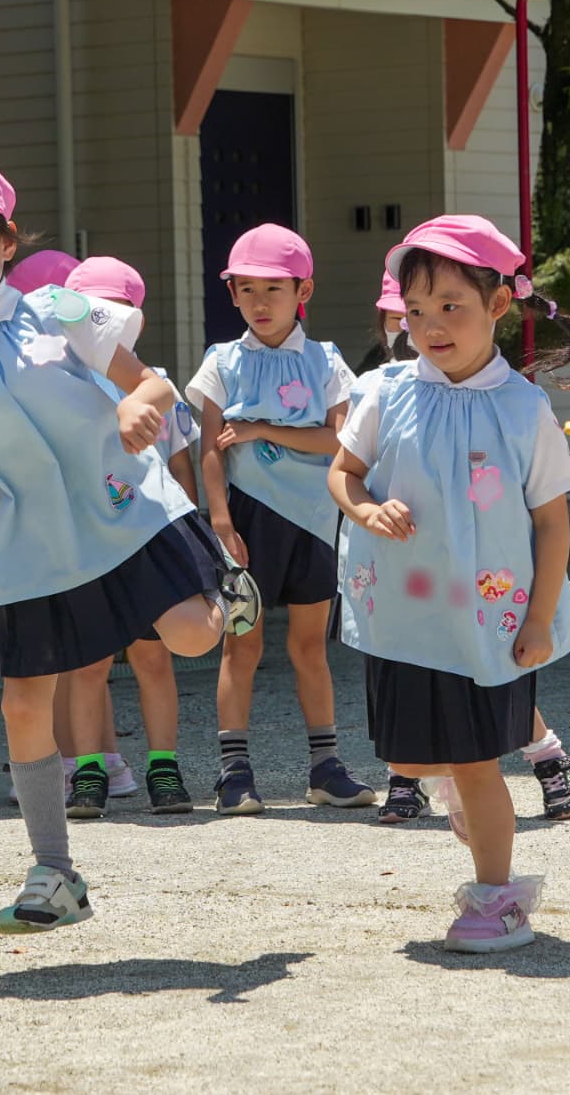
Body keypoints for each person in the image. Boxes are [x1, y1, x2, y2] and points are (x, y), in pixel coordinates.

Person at [0, 157, 256, 932]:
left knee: (194, 637)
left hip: (119, 510)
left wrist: (138, 409)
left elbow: (154, 383)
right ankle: (54, 870)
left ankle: (220, 581)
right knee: (23, 700)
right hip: (27, 547)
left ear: (6, 242)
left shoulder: (61, 308)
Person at [331, 215, 570, 951]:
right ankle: (460, 796)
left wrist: (539, 618)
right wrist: (364, 507)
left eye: (452, 305)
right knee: (412, 759)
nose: (431, 325)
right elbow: (342, 474)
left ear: (499, 305)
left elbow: (551, 522)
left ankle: (497, 898)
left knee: (478, 765)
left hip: (490, 620)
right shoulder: (384, 389)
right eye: (416, 310)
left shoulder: (522, 406)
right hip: (407, 616)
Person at [190, 223, 376, 814]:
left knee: (308, 648)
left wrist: (263, 429)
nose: (260, 301)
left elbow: (340, 441)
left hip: (316, 522)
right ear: (233, 294)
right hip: (245, 524)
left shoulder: (326, 361)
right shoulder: (221, 361)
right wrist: (219, 521)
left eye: (274, 288)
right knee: (239, 648)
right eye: (247, 289)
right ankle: (233, 773)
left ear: (304, 291)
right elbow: (211, 450)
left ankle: (325, 768)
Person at [60, 254, 202, 816]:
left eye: (115, 315)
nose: (103, 326)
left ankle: (163, 767)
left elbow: (180, 469)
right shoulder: (59, 382)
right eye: (92, 313)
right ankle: (89, 770)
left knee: (153, 658)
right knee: (87, 664)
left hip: (148, 539)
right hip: (85, 543)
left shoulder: (152, 384)